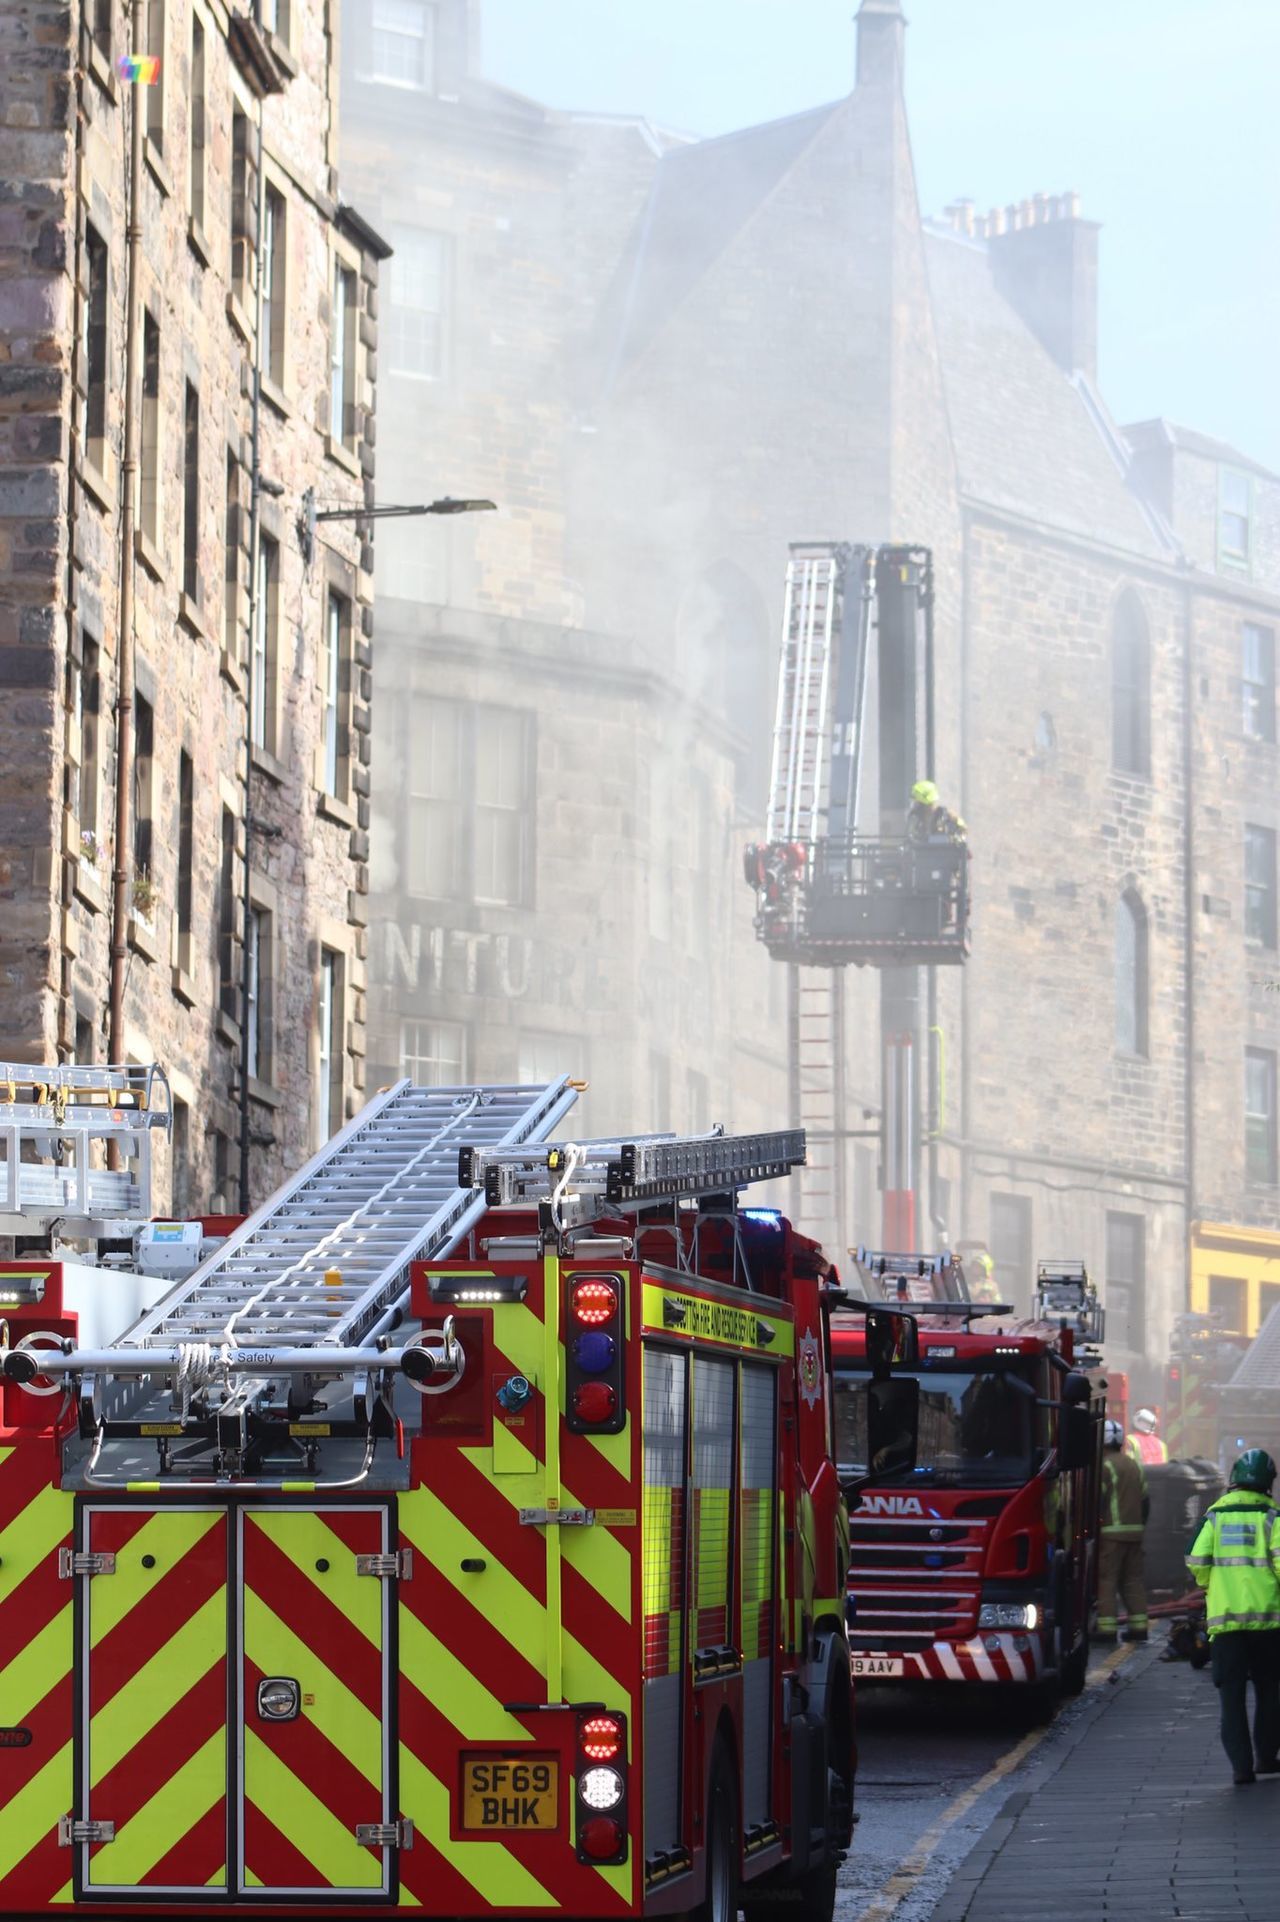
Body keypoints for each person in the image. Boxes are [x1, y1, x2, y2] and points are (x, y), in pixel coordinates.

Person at [1187, 1449, 1280, 1785]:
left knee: (1232, 1696)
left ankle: (1241, 1768)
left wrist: (1212, 1585)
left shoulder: (1215, 1516)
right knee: (1270, 1691)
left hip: (1225, 1624)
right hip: (1268, 1623)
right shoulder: (1273, 1518)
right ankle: (1266, 1758)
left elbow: (1196, 1559)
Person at [1097, 1417, 1149, 1644]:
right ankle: (1139, 1629)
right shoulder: (1133, 1464)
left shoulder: (1105, 1465)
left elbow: (1097, 1500)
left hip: (1111, 1534)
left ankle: (1106, 1631)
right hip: (1135, 1533)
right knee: (1133, 1580)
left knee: (1107, 1581)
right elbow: (1146, 1501)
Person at [907, 778, 966, 844]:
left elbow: (962, 831)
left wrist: (954, 839)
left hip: (942, 853)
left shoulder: (948, 816)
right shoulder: (915, 818)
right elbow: (910, 837)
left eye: (917, 801)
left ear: (924, 803)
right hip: (921, 853)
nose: (914, 804)